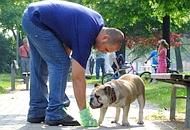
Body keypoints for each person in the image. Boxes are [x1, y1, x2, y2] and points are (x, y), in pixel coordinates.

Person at [21, 0, 124, 127]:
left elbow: (66, 42)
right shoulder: (88, 33)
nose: (103, 52)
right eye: (106, 49)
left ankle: (37, 110)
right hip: (38, 20)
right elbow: (78, 77)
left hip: (32, 16)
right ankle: (55, 112)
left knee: (40, 66)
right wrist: (84, 114)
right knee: (61, 63)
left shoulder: (96, 22)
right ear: (105, 38)